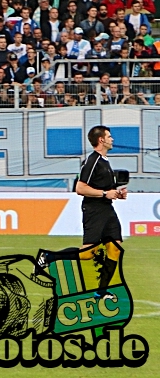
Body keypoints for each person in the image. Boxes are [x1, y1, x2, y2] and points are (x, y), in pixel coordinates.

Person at [74, 125, 127, 303]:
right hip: (94, 210)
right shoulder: (92, 161)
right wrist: (104, 194)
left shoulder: (105, 161)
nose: (112, 139)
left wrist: (117, 193)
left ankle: (101, 291)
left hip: (107, 209)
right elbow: (80, 188)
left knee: (115, 247)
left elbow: (105, 189)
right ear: (101, 140)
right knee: (88, 253)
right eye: (109, 136)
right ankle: (50, 257)